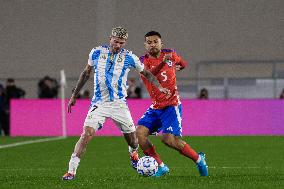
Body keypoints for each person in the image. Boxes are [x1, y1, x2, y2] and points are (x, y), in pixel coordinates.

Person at [62, 27, 169, 180]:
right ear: (110, 38)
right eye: (116, 41)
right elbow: (86, 73)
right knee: (86, 134)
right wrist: (74, 95)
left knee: (133, 140)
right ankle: (71, 171)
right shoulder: (97, 52)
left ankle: (133, 153)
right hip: (99, 104)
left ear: (125, 42)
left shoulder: (129, 57)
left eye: (121, 42)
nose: (118, 45)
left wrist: (159, 86)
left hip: (119, 104)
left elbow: (146, 73)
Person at [136, 31, 209, 177]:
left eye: (155, 41)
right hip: (156, 106)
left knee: (168, 140)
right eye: (149, 42)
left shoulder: (170, 54)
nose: (152, 44)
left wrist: (177, 67)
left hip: (171, 105)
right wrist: (164, 63)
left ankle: (199, 159)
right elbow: (149, 74)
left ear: (161, 43)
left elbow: (183, 63)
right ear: (145, 45)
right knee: (139, 134)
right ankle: (161, 167)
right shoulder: (142, 61)